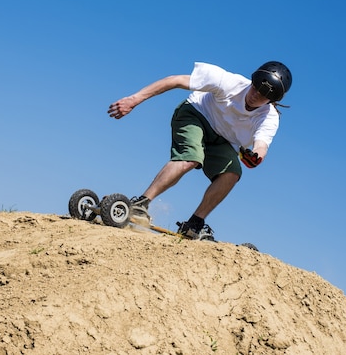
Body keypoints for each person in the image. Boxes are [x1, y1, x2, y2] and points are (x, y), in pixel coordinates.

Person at [107, 61, 292, 241]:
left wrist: (256, 156)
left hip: (223, 141)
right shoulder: (229, 82)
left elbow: (261, 145)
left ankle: (194, 223)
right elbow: (176, 80)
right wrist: (135, 99)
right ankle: (141, 204)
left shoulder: (269, 117)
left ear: (271, 100)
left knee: (232, 173)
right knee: (191, 158)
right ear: (252, 81)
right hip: (196, 115)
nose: (255, 95)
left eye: (262, 95)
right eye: (255, 88)